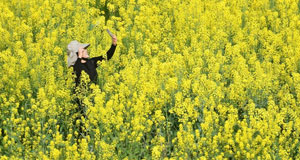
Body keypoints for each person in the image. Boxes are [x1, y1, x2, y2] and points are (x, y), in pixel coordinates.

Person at [67, 34, 117, 137]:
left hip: (93, 99)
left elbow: (106, 57)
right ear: (78, 53)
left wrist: (114, 44)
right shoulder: (75, 67)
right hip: (81, 102)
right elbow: (78, 69)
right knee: (82, 128)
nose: (86, 50)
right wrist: (79, 57)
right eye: (84, 49)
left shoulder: (91, 62)